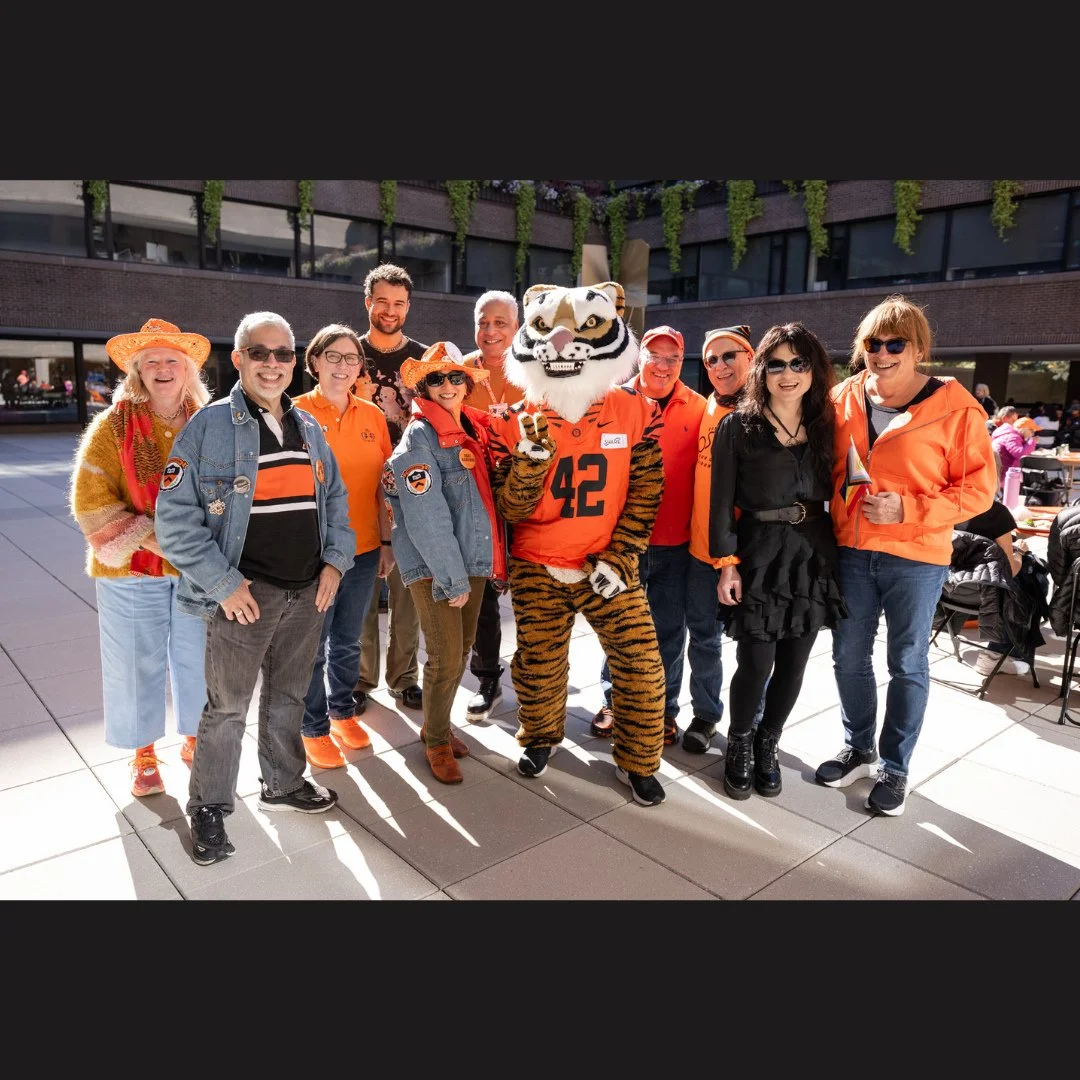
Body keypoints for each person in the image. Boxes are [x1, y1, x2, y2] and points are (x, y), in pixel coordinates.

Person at [155, 311, 356, 866]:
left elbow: (335, 501)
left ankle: (283, 782)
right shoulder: (207, 428)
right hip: (245, 596)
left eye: (283, 353)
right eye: (259, 353)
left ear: (296, 361)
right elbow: (173, 521)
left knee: (291, 696)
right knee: (227, 709)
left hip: (308, 592)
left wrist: (335, 564)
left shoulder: (309, 427)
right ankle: (211, 808)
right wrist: (223, 585)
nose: (273, 364)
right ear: (238, 359)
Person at [816, 294, 997, 817]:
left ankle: (895, 769)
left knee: (907, 662)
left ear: (918, 349)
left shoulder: (956, 407)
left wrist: (910, 508)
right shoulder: (843, 396)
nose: (883, 353)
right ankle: (858, 748)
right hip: (850, 549)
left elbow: (978, 492)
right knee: (848, 657)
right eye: (874, 343)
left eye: (896, 344)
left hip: (915, 558)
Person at [70, 318, 212, 798]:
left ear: (188, 368)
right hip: (131, 567)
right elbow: (90, 498)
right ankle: (143, 753)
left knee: (199, 657)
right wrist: (156, 539)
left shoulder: (210, 423)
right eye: (151, 360)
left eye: (172, 359)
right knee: (136, 662)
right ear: (137, 371)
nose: (162, 367)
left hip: (196, 569)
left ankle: (195, 738)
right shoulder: (112, 426)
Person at [711, 323, 847, 800]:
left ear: (813, 370)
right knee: (756, 663)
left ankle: (769, 744)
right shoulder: (738, 425)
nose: (788, 374)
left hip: (812, 553)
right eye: (777, 364)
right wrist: (726, 562)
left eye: (798, 363)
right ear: (761, 370)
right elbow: (719, 500)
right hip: (758, 553)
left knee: (793, 666)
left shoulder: (828, 423)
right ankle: (740, 744)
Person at [383, 341, 507, 784]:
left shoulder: (470, 428)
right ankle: (435, 740)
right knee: (445, 655)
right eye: (436, 378)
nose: (448, 384)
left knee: (461, 650)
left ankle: (438, 725)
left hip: (469, 560)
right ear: (424, 387)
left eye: (456, 376)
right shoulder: (419, 437)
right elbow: (427, 515)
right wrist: (452, 579)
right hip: (437, 567)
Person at [592, 325, 707, 747]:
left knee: (668, 631)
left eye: (672, 359)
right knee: (617, 626)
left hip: (676, 543)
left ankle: (664, 709)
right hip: (622, 540)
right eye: (654, 355)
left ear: (682, 362)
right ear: (640, 356)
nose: (662, 365)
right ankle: (614, 702)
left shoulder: (698, 409)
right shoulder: (612, 400)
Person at [293, 325, 395, 769]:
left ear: (360, 368)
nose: (342, 366)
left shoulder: (372, 415)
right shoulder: (294, 412)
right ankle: (312, 727)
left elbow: (382, 485)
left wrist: (387, 541)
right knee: (312, 644)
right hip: (313, 553)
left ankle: (342, 712)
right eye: (332, 357)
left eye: (351, 358)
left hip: (365, 547)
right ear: (313, 362)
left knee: (349, 640)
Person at [679, 326, 759, 754]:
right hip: (700, 548)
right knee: (703, 638)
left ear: (750, 356)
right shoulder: (707, 406)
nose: (720, 366)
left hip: (749, 552)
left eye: (729, 356)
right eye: (711, 360)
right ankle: (706, 714)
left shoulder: (767, 408)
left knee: (753, 644)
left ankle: (752, 725)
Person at [357, 264, 429, 714]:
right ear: (368, 302)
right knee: (361, 587)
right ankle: (359, 679)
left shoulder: (422, 360)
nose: (390, 310)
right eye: (382, 301)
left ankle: (404, 678)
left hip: (408, 485)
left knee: (408, 587)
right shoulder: (346, 353)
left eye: (399, 303)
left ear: (408, 306)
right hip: (358, 483)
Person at [461, 289, 524, 720]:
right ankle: (487, 677)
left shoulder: (535, 370)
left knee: (534, 594)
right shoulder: (459, 371)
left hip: (525, 496)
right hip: (475, 495)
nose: (491, 330)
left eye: (500, 322)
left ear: (516, 327)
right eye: (484, 322)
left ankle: (540, 679)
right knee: (482, 594)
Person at [951, 500, 1040, 677]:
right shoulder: (995, 512)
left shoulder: (947, 503)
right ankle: (996, 653)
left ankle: (1007, 652)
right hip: (988, 598)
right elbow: (1011, 570)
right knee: (1035, 578)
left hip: (949, 590)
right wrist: (1020, 553)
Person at [991, 407, 1039, 489]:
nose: (1032, 433)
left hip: (999, 473)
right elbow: (1021, 455)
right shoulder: (1012, 436)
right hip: (1001, 477)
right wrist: (1031, 442)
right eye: (1031, 430)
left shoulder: (1011, 435)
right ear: (1023, 429)